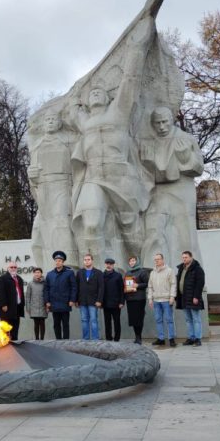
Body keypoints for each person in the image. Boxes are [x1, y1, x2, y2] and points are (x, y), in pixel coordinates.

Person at [69, 16, 155, 260]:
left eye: (100, 92)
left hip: (120, 174)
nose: (95, 94)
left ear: (108, 98)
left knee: (130, 226)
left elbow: (130, 80)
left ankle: (141, 268)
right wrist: (76, 92)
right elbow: (71, 107)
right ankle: (95, 273)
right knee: (91, 224)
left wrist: (137, 47)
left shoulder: (118, 113)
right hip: (94, 177)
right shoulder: (84, 122)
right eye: (92, 93)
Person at [140, 106, 204, 266]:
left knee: (185, 235)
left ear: (172, 120)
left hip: (181, 191)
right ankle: (152, 272)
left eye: (165, 122)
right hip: (158, 192)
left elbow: (198, 168)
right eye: (157, 123)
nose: (161, 127)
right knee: (154, 232)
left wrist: (185, 156)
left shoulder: (186, 138)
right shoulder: (149, 142)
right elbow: (143, 174)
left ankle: (190, 272)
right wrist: (148, 164)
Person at [28, 110, 79, 269]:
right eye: (47, 119)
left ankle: (69, 263)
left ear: (59, 124)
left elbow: (78, 166)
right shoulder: (37, 145)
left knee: (62, 222)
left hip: (63, 185)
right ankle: (47, 267)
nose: (50, 121)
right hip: (44, 188)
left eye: (53, 119)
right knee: (39, 228)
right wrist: (32, 175)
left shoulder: (69, 141)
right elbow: (33, 175)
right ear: (43, 125)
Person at [44, 250, 77, 339]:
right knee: (56, 324)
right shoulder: (50, 274)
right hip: (54, 303)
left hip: (65, 302)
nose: (57, 262)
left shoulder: (69, 273)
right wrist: (47, 301)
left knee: (65, 324)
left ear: (63, 262)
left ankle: (66, 341)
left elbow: (74, 287)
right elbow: (46, 289)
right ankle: (58, 341)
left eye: (59, 261)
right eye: (56, 261)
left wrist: (72, 300)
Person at [175, 251, 205, 346]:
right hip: (183, 298)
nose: (184, 259)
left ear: (191, 257)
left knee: (196, 319)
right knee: (188, 319)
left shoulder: (197, 269)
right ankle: (191, 337)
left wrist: (196, 296)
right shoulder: (181, 268)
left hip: (193, 298)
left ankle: (198, 339)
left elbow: (200, 284)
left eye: (186, 257)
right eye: (183, 257)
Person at [147, 253, 177, 347]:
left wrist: (172, 296)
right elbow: (150, 286)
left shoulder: (169, 271)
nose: (157, 261)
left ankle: (171, 339)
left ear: (163, 260)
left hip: (166, 299)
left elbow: (173, 284)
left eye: (158, 259)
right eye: (155, 260)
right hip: (156, 300)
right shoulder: (152, 272)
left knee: (169, 320)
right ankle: (161, 339)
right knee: (158, 320)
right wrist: (150, 299)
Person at [76, 253, 104, 340]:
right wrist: (76, 300)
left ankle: (95, 339)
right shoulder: (79, 272)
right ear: (83, 261)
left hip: (94, 300)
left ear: (92, 260)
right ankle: (86, 338)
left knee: (93, 320)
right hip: (82, 301)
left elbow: (101, 287)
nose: (87, 261)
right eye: (85, 260)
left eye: (88, 259)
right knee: (84, 320)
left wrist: (99, 300)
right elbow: (77, 287)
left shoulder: (98, 273)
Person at [0, 261, 25, 342]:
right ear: (8, 268)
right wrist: (3, 305)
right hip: (7, 309)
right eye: (11, 267)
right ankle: (5, 347)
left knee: (15, 329)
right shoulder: (3, 278)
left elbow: (20, 293)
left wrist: (22, 305)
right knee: (5, 330)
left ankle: (14, 344)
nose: (13, 269)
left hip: (17, 308)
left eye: (15, 267)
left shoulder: (19, 278)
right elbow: (0, 293)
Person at [124, 256, 149, 344]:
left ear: (137, 261)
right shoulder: (127, 273)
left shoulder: (142, 272)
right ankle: (136, 336)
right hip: (130, 299)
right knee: (133, 319)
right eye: (130, 261)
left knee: (139, 318)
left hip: (139, 298)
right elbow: (125, 285)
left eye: (133, 260)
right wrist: (125, 289)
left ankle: (139, 337)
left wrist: (137, 285)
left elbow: (147, 283)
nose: (132, 262)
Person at [102, 258, 124, 342]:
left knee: (116, 322)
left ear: (113, 265)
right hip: (105, 303)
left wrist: (121, 302)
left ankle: (117, 338)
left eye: (110, 264)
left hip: (116, 303)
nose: (109, 265)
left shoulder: (118, 275)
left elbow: (121, 290)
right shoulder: (102, 275)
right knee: (107, 322)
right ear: (105, 264)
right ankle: (108, 338)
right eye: (107, 263)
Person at [25, 267, 47, 340]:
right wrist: (28, 307)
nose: (37, 274)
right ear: (34, 274)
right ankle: (37, 339)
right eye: (36, 272)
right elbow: (28, 296)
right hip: (34, 307)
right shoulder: (30, 284)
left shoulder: (45, 283)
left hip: (43, 306)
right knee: (36, 323)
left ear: (41, 273)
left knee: (42, 323)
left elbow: (48, 294)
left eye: (39, 272)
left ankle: (42, 339)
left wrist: (48, 305)